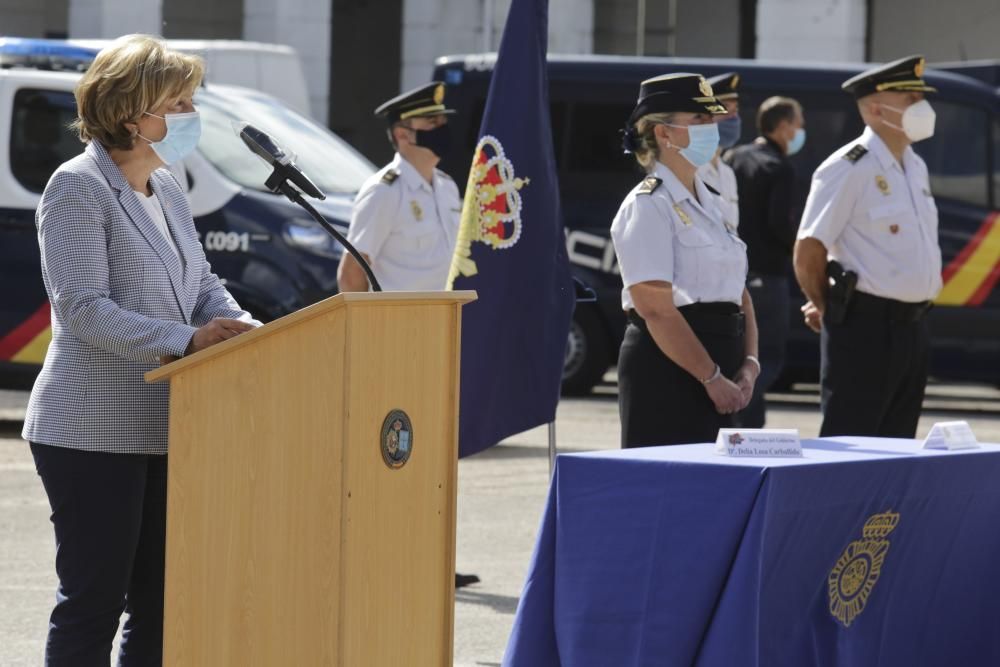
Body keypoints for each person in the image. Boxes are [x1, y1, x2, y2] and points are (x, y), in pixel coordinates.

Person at [21, 34, 259, 665]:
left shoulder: (167, 185)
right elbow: (81, 308)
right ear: (134, 113)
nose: (191, 115)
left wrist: (246, 330)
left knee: (160, 601)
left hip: (165, 428)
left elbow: (201, 284)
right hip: (88, 430)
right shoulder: (76, 187)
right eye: (178, 103)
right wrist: (187, 340)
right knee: (94, 601)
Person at [794, 55, 941, 438]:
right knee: (854, 442)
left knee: (897, 446)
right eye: (910, 100)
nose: (921, 108)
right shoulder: (849, 166)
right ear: (876, 109)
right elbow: (809, 250)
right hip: (866, 328)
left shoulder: (915, 165)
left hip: (914, 326)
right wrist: (832, 311)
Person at [613, 73, 761, 448]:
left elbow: (737, 291)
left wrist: (750, 364)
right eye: (699, 120)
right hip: (671, 368)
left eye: (711, 119)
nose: (712, 128)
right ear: (664, 134)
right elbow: (656, 310)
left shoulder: (712, 201)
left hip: (722, 366)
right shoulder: (649, 204)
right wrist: (710, 378)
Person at [726, 96, 806, 427]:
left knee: (738, 354)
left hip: (734, 275)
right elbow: (780, 223)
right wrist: (801, 249)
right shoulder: (779, 167)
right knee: (765, 357)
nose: (801, 130)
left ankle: (742, 422)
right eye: (799, 123)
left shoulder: (733, 157)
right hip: (767, 276)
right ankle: (746, 425)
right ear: (784, 127)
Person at [338, 82, 461, 292]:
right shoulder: (384, 191)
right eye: (433, 122)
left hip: (443, 318)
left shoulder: (448, 186)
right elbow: (351, 274)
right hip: (397, 321)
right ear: (403, 135)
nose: (442, 128)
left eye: (443, 121)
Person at [697, 71, 741, 229]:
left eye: (736, 109)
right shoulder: (690, 169)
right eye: (726, 108)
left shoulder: (727, 173)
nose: (734, 116)